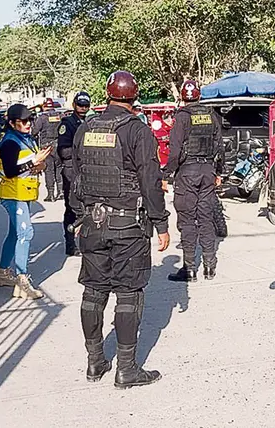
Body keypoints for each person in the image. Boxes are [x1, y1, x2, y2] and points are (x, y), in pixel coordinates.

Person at [70, 71, 170, 388]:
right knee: (128, 294)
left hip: (92, 224)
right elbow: (150, 181)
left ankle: (95, 362)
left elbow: (76, 175)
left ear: (107, 94)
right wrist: (161, 223)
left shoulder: (85, 128)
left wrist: (80, 216)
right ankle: (126, 369)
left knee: (93, 292)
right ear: (134, 97)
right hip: (127, 227)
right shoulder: (138, 131)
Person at [164, 80, 224, 282]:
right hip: (208, 171)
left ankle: (189, 269)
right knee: (206, 219)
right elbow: (220, 147)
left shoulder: (182, 117)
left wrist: (166, 174)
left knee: (188, 221)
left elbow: (174, 152)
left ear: (182, 97)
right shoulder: (211, 115)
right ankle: (209, 267)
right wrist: (219, 172)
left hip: (187, 173)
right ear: (199, 95)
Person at [0, 104, 54, 300]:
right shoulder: (10, 143)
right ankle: (22, 280)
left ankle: (2, 273)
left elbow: (31, 165)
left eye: (30, 120)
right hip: (14, 195)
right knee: (25, 233)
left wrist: (40, 165)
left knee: (15, 234)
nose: (28, 124)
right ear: (12, 123)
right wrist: (34, 162)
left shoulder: (26, 139)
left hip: (23, 193)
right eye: (23, 121)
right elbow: (10, 171)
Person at [57, 91, 92, 256]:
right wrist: (84, 151)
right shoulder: (67, 123)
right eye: (80, 105)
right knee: (72, 208)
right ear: (74, 105)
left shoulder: (91, 122)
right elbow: (63, 151)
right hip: (71, 171)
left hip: (88, 171)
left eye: (86, 105)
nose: (83, 108)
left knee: (90, 208)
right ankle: (70, 244)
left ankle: (89, 242)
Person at [32, 102, 64, 201]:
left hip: (46, 147)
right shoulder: (60, 116)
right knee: (59, 168)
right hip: (59, 145)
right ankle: (61, 192)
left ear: (45, 107)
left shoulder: (42, 118)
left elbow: (34, 132)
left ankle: (51, 194)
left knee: (49, 170)